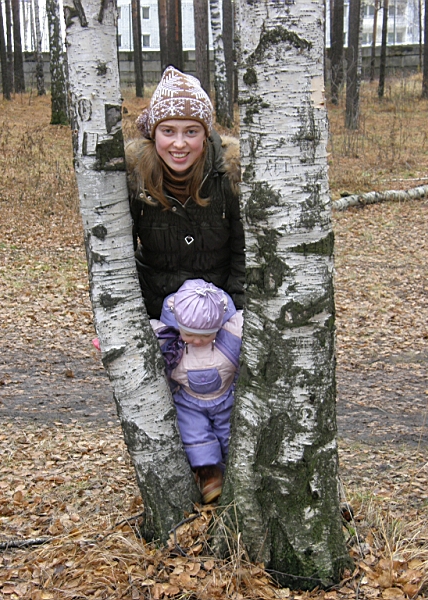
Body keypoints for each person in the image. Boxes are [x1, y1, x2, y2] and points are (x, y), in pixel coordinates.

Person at [125, 65, 245, 320]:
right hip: (155, 307)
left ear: (205, 134)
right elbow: (119, 253)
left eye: (191, 131)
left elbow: (242, 254)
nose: (179, 144)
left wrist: (237, 317)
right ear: (154, 133)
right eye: (168, 131)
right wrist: (135, 317)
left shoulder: (230, 175)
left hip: (219, 310)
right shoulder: (135, 176)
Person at [151, 278, 243, 504]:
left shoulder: (230, 336)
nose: (198, 341)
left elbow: (250, 325)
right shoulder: (169, 340)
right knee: (194, 434)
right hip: (189, 401)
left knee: (230, 436)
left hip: (225, 398)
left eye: (206, 336)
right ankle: (209, 474)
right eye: (190, 335)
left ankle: (234, 475)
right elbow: (143, 336)